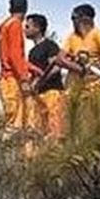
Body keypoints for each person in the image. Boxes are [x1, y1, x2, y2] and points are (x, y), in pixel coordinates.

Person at [58, 3, 100, 133]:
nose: (72, 22)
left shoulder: (99, 35)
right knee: (71, 129)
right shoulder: (72, 37)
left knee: (92, 129)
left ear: (84, 19)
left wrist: (97, 66)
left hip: (94, 91)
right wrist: (78, 68)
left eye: (74, 18)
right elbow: (60, 58)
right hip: (74, 91)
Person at [25, 13, 66, 145]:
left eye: (27, 26)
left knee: (55, 130)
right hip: (38, 95)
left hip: (53, 92)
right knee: (38, 131)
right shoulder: (31, 52)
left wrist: (41, 79)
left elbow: (57, 67)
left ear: (37, 28)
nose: (24, 29)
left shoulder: (50, 45)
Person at [0, 0, 32, 140]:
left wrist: (33, 68)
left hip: (6, 78)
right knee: (15, 122)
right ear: (25, 10)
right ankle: (6, 155)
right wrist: (24, 79)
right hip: (11, 78)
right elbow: (15, 55)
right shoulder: (15, 24)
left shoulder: (5, 25)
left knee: (12, 119)